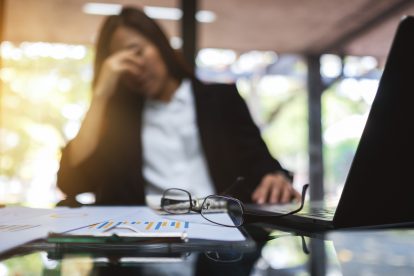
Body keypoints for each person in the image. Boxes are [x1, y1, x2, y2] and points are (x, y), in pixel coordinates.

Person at [57, 6, 301, 206]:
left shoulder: (222, 100)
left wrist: (275, 177)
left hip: (222, 244)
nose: (134, 68)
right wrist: (101, 94)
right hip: (143, 245)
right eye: (121, 63)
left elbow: (261, 163)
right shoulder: (119, 122)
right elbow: (71, 182)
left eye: (137, 51)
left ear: (160, 44)